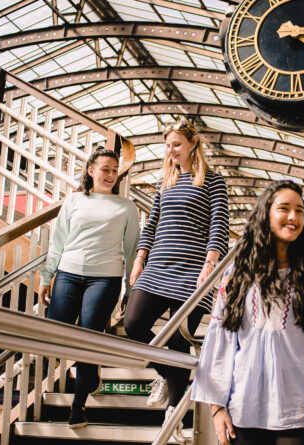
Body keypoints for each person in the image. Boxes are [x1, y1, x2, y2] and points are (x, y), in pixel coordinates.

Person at [192, 180, 304, 445]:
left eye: (299, 211)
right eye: (284, 208)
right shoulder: (236, 276)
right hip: (243, 409)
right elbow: (221, 341)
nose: (293, 217)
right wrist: (217, 407)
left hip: (300, 410)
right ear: (266, 214)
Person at [125, 118, 229, 428]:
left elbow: (218, 226)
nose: (171, 150)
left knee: (179, 340)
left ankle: (174, 412)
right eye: (168, 145)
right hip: (157, 266)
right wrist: (139, 260)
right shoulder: (164, 183)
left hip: (192, 271)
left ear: (192, 144)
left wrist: (210, 265)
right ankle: (168, 374)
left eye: (176, 145)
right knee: (133, 325)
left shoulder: (213, 181)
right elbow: (152, 223)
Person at [38, 148, 140, 429]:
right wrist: (46, 277)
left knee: (88, 337)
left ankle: (78, 405)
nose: (110, 175)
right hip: (68, 273)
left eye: (114, 169)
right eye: (105, 169)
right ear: (91, 171)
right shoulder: (73, 201)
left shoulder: (126, 207)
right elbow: (57, 242)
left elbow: (132, 251)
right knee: (56, 330)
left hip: (105, 278)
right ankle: (91, 373)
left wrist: (131, 290)